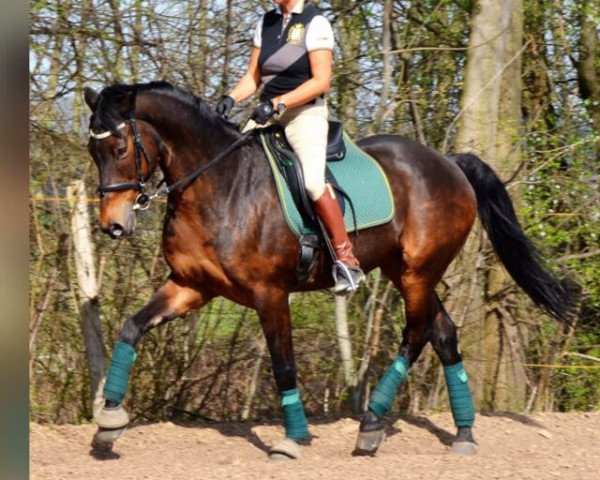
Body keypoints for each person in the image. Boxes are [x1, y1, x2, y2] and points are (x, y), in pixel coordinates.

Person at [215, 0, 364, 294]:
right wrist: (231, 98)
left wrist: (278, 103)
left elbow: (322, 81)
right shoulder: (266, 23)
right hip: (268, 113)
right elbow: (252, 77)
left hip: (304, 115)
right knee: (227, 161)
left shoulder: (315, 23)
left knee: (311, 181)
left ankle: (346, 259)